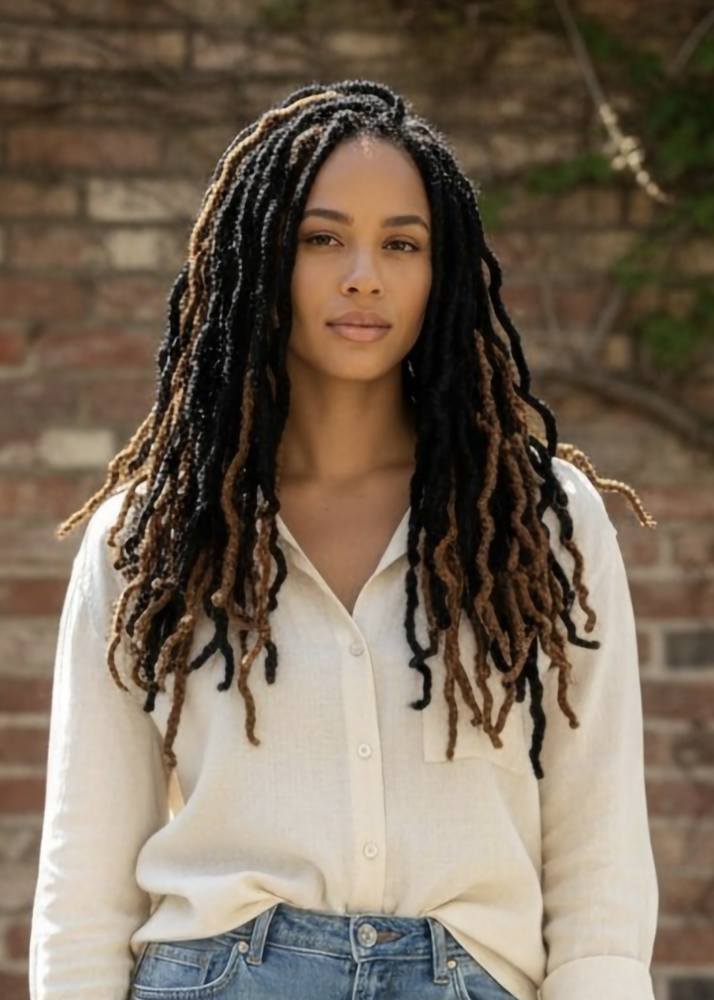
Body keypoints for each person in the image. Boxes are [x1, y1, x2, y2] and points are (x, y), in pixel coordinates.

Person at [29, 79, 659, 1000]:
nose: (363, 272)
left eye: (401, 243)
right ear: (259, 259)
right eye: (322, 239)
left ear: (439, 274)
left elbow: (599, 853)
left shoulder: (539, 523)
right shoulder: (151, 536)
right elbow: (83, 879)